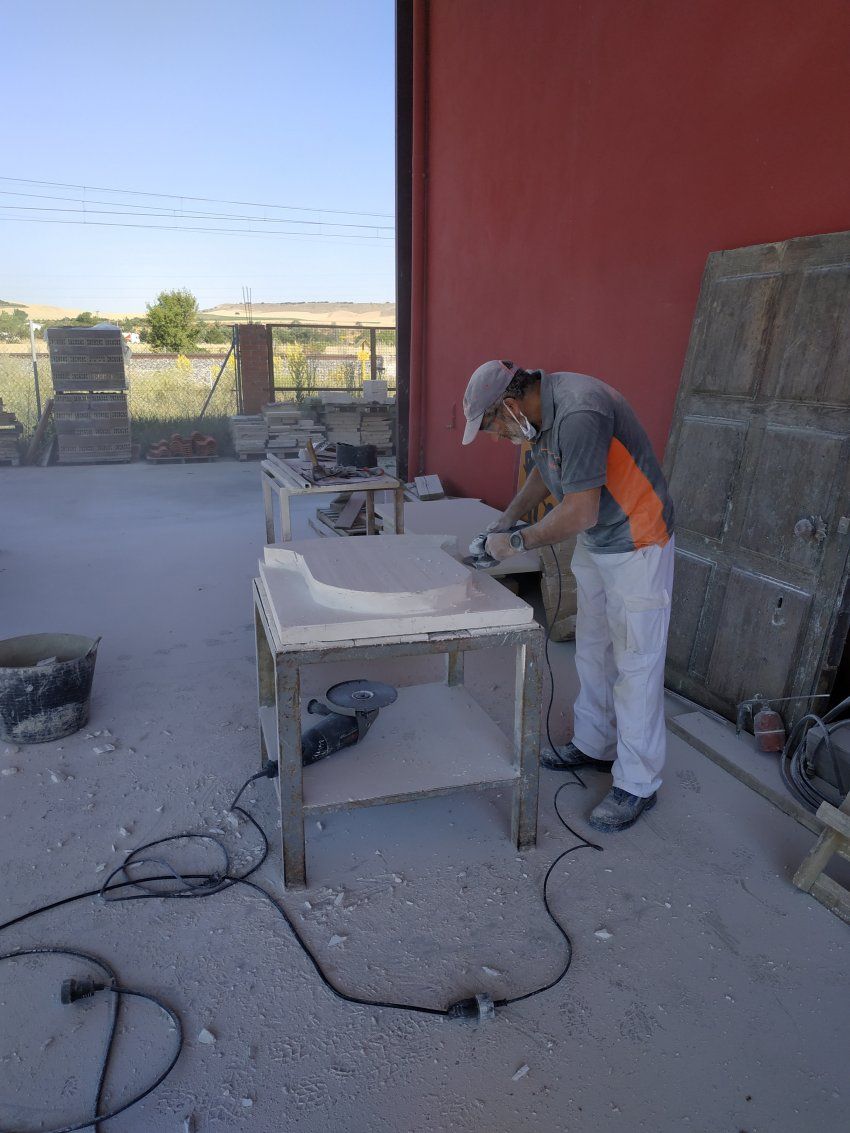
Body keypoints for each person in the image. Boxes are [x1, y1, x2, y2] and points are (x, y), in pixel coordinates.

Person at [461, 360, 675, 832]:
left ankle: (637, 784)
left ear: (510, 406)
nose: (498, 438)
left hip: (637, 541)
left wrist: (515, 543)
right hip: (599, 541)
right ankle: (595, 744)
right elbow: (545, 472)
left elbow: (579, 510)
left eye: (494, 427)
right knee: (593, 646)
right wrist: (505, 520)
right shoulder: (541, 416)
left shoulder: (579, 412)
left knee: (636, 664)